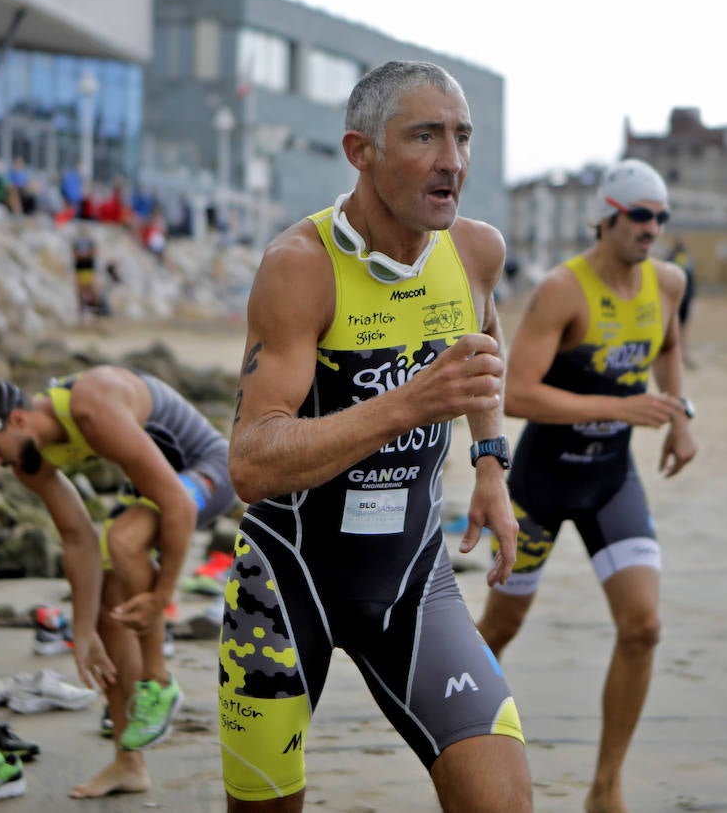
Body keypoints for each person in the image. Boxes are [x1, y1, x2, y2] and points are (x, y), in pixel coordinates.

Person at [223, 60, 531, 812]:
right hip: (289, 581)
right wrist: (407, 403)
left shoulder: (474, 252)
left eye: (461, 136)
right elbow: (252, 462)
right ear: (360, 151)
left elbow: (481, 352)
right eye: (424, 136)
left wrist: (490, 464)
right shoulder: (301, 266)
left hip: (410, 578)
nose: (452, 160)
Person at [476, 158, 698, 813]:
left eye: (661, 216)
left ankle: (606, 787)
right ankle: (464, 753)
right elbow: (516, 394)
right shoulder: (561, 291)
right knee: (497, 632)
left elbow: (669, 349)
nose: (652, 228)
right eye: (639, 215)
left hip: (611, 480)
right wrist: (623, 409)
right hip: (542, 484)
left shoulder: (669, 284)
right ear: (604, 218)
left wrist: (679, 416)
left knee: (644, 627)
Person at [0, 368, 237, 799]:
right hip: (151, 484)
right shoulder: (30, 463)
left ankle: (159, 682)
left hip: (208, 469)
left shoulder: (90, 408)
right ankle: (129, 764)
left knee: (123, 540)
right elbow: (77, 539)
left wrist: (162, 597)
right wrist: (82, 632)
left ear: (16, 421)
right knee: (108, 614)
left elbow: (176, 502)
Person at [667, 237, 698, 368]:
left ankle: (682, 356)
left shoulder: (681, 259)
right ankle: (681, 356)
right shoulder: (675, 259)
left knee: (680, 330)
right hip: (678, 299)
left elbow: (691, 280)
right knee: (676, 330)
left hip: (683, 299)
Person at [71, 228, 101, 323]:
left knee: (92, 291)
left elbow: (93, 252)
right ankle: (82, 317)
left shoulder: (90, 242)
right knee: (81, 293)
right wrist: (84, 256)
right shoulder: (77, 242)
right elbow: (76, 254)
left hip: (88, 269)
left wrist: (83, 256)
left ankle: (95, 314)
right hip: (80, 269)